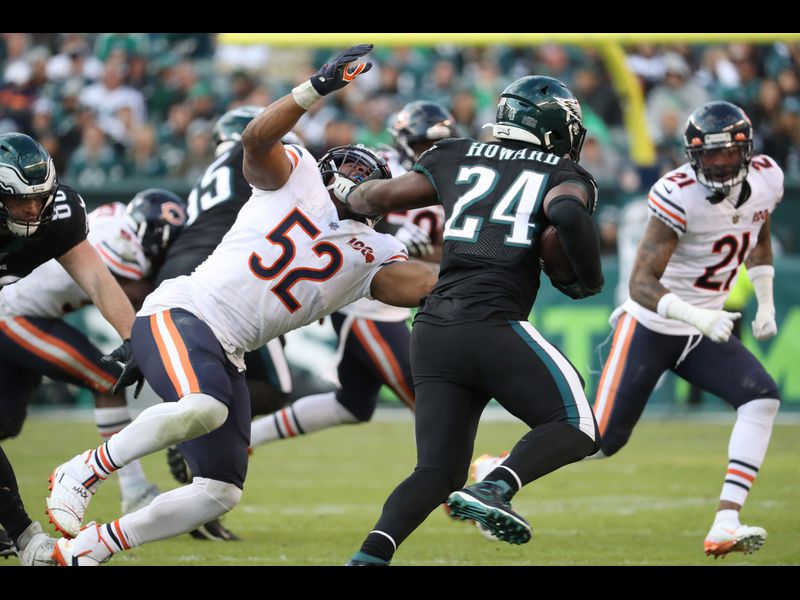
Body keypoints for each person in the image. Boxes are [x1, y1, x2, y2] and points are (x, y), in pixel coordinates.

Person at [45, 44, 437, 566]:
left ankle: (91, 548)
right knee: (203, 406)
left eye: (367, 177)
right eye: (346, 165)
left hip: (228, 349)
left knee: (218, 492)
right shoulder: (294, 173)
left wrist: (501, 255)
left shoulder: (374, 253)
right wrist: (316, 87)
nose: (353, 177)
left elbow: (428, 285)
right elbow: (257, 138)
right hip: (184, 310)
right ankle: (84, 470)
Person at [344, 75, 604, 565]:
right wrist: (590, 281)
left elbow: (378, 199)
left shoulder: (455, 153)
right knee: (577, 424)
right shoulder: (562, 171)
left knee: (437, 472)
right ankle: (496, 488)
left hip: (434, 328)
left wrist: (348, 193)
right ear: (553, 128)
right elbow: (567, 215)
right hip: (491, 323)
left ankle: (370, 556)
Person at [591, 101, 782, 558]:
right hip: (654, 322)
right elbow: (639, 284)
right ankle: (499, 471)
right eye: (708, 154)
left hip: (702, 329)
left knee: (761, 398)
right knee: (598, 441)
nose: (717, 163)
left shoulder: (768, 178)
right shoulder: (678, 194)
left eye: (726, 153)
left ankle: (726, 520)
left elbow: (758, 231)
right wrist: (699, 316)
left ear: (746, 150)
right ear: (692, 154)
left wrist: (766, 298)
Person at [248, 100, 456, 447]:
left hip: (396, 300)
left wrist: (417, 248)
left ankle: (248, 436)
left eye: (436, 144)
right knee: (427, 397)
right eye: (422, 143)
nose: (429, 151)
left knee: (353, 404)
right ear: (404, 139)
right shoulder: (376, 164)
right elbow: (334, 216)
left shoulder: (449, 178)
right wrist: (389, 232)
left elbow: (446, 247)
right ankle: (461, 485)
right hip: (365, 303)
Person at [0, 189, 186, 526]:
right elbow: (124, 288)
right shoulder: (122, 247)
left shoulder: (102, 218)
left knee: (5, 422)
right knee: (106, 379)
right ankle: (134, 489)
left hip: (31, 313)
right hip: (12, 314)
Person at [156, 105, 296, 541]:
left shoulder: (211, 174)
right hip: (218, 284)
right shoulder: (249, 160)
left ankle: (200, 508)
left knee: (210, 396)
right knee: (274, 387)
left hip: (174, 282)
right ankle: (188, 444)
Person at [0, 132, 137, 565]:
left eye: (40, 198)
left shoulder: (61, 213)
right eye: (21, 200)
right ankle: (26, 538)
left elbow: (95, 277)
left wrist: (135, 339)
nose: (33, 209)